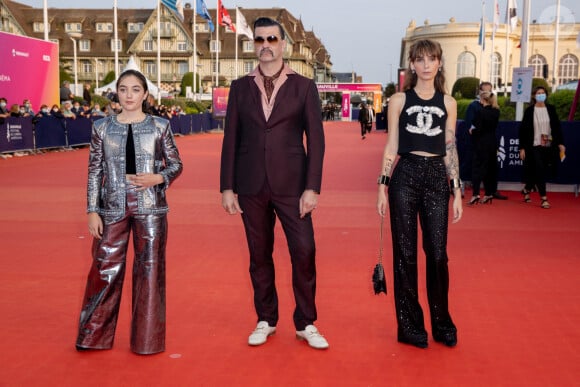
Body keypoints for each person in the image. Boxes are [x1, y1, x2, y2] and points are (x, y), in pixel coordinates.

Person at [220, 17, 328, 350]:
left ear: (283, 44)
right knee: (258, 255)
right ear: (253, 44)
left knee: (304, 250)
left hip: (293, 186)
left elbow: (317, 141)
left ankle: (306, 322)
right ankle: (266, 318)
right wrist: (227, 187)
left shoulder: (304, 86)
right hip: (250, 184)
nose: (265, 45)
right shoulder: (239, 88)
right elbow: (231, 139)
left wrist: (312, 187)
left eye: (271, 39)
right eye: (259, 40)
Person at [75, 69, 183, 354]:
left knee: (150, 271)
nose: (129, 95)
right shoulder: (102, 127)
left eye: (135, 89)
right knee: (104, 268)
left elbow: (175, 164)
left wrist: (158, 178)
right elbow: (94, 171)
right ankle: (93, 337)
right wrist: (91, 210)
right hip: (112, 206)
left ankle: (147, 342)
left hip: (151, 206)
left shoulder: (160, 126)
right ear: (117, 94)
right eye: (123, 89)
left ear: (145, 94)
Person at [376, 39, 462, 349]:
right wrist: (382, 187)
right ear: (412, 64)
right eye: (420, 59)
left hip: (437, 176)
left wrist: (457, 190)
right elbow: (391, 145)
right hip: (405, 176)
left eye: (432, 59)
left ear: (439, 63)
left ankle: (442, 322)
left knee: (438, 254)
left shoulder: (448, 103)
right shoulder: (398, 100)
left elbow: (450, 147)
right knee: (405, 255)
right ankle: (410, 326)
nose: (426, 64)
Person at [518, 86, 565, 209]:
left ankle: (527, 189)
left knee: (539, 170)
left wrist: (560, 143)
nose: (541, 95)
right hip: (533, 145)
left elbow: (556, 127)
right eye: (538, 93)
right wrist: (522, 148)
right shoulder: (529, 111)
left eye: (543, 93)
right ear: (534, 96)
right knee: (539, 168)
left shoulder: (551, 109)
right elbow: (523, 130)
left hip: (548, 145)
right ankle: (544, 198)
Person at [464, 82, 508, 200]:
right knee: (480, 167)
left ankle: (485, 192)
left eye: (489, 91)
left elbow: (475, 128)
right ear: (480, 92)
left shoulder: (489, 110)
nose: (486, 94)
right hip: (479, 143)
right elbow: (469, 124)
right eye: (484, 91)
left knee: (489, 168)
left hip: (485, 143)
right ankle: (486, 192)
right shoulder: (474, 106)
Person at [467, 89, 500, 205]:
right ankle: (488, 193)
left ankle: (475, 194)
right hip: (492, 144)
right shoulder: (496, 112)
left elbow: (477, 129)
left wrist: (472, 130)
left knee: (477, 169)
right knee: (490, 169)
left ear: (483, 99)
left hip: (481, 144)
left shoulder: (480, 112)